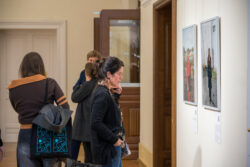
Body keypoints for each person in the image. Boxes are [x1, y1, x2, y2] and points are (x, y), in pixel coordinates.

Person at [8, 52, 70, 167]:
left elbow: (17, 108)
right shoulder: (50, 83)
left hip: (25, 134)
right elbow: (65, 108)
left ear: (23, 68)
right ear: (40, 66)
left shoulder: (14, 88)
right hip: (46, 133)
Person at [91, 57, 124, 167]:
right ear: (109, 74)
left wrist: (116, 95)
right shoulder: (102, 94)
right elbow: (95, 122)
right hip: (108, 148)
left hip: (112, 146)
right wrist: (114, 140)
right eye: (119, 74)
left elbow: (110, 114)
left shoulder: (106, 91)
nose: (121, 78)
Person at [70, 63, 98, 163]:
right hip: (92, 125)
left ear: (86, 73)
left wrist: (80, 86)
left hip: (84, 125)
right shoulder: (97, 84)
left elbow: (74, 97)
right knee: (90, 155)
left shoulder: (87, 85)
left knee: (88, 156)